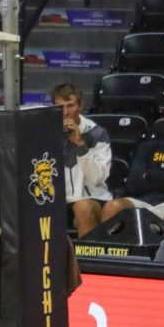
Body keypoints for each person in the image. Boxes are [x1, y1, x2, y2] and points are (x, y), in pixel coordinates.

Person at [100, 94, 164, 228]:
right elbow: (133, 185)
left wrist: (152, 174)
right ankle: (107, 249)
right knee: (112, 207)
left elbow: (147, 179)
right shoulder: (149, 147)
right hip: (144, 203)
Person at [50, 82, 112, 236]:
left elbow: (97, 178)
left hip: (92, 198)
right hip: (57, 201)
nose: (65, 112)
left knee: (82, 207)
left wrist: (80, 144)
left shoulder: (97, 133)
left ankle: (86, 260)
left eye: (70, 105)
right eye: (60, 106)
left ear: (81, 105)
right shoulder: (45, 133)